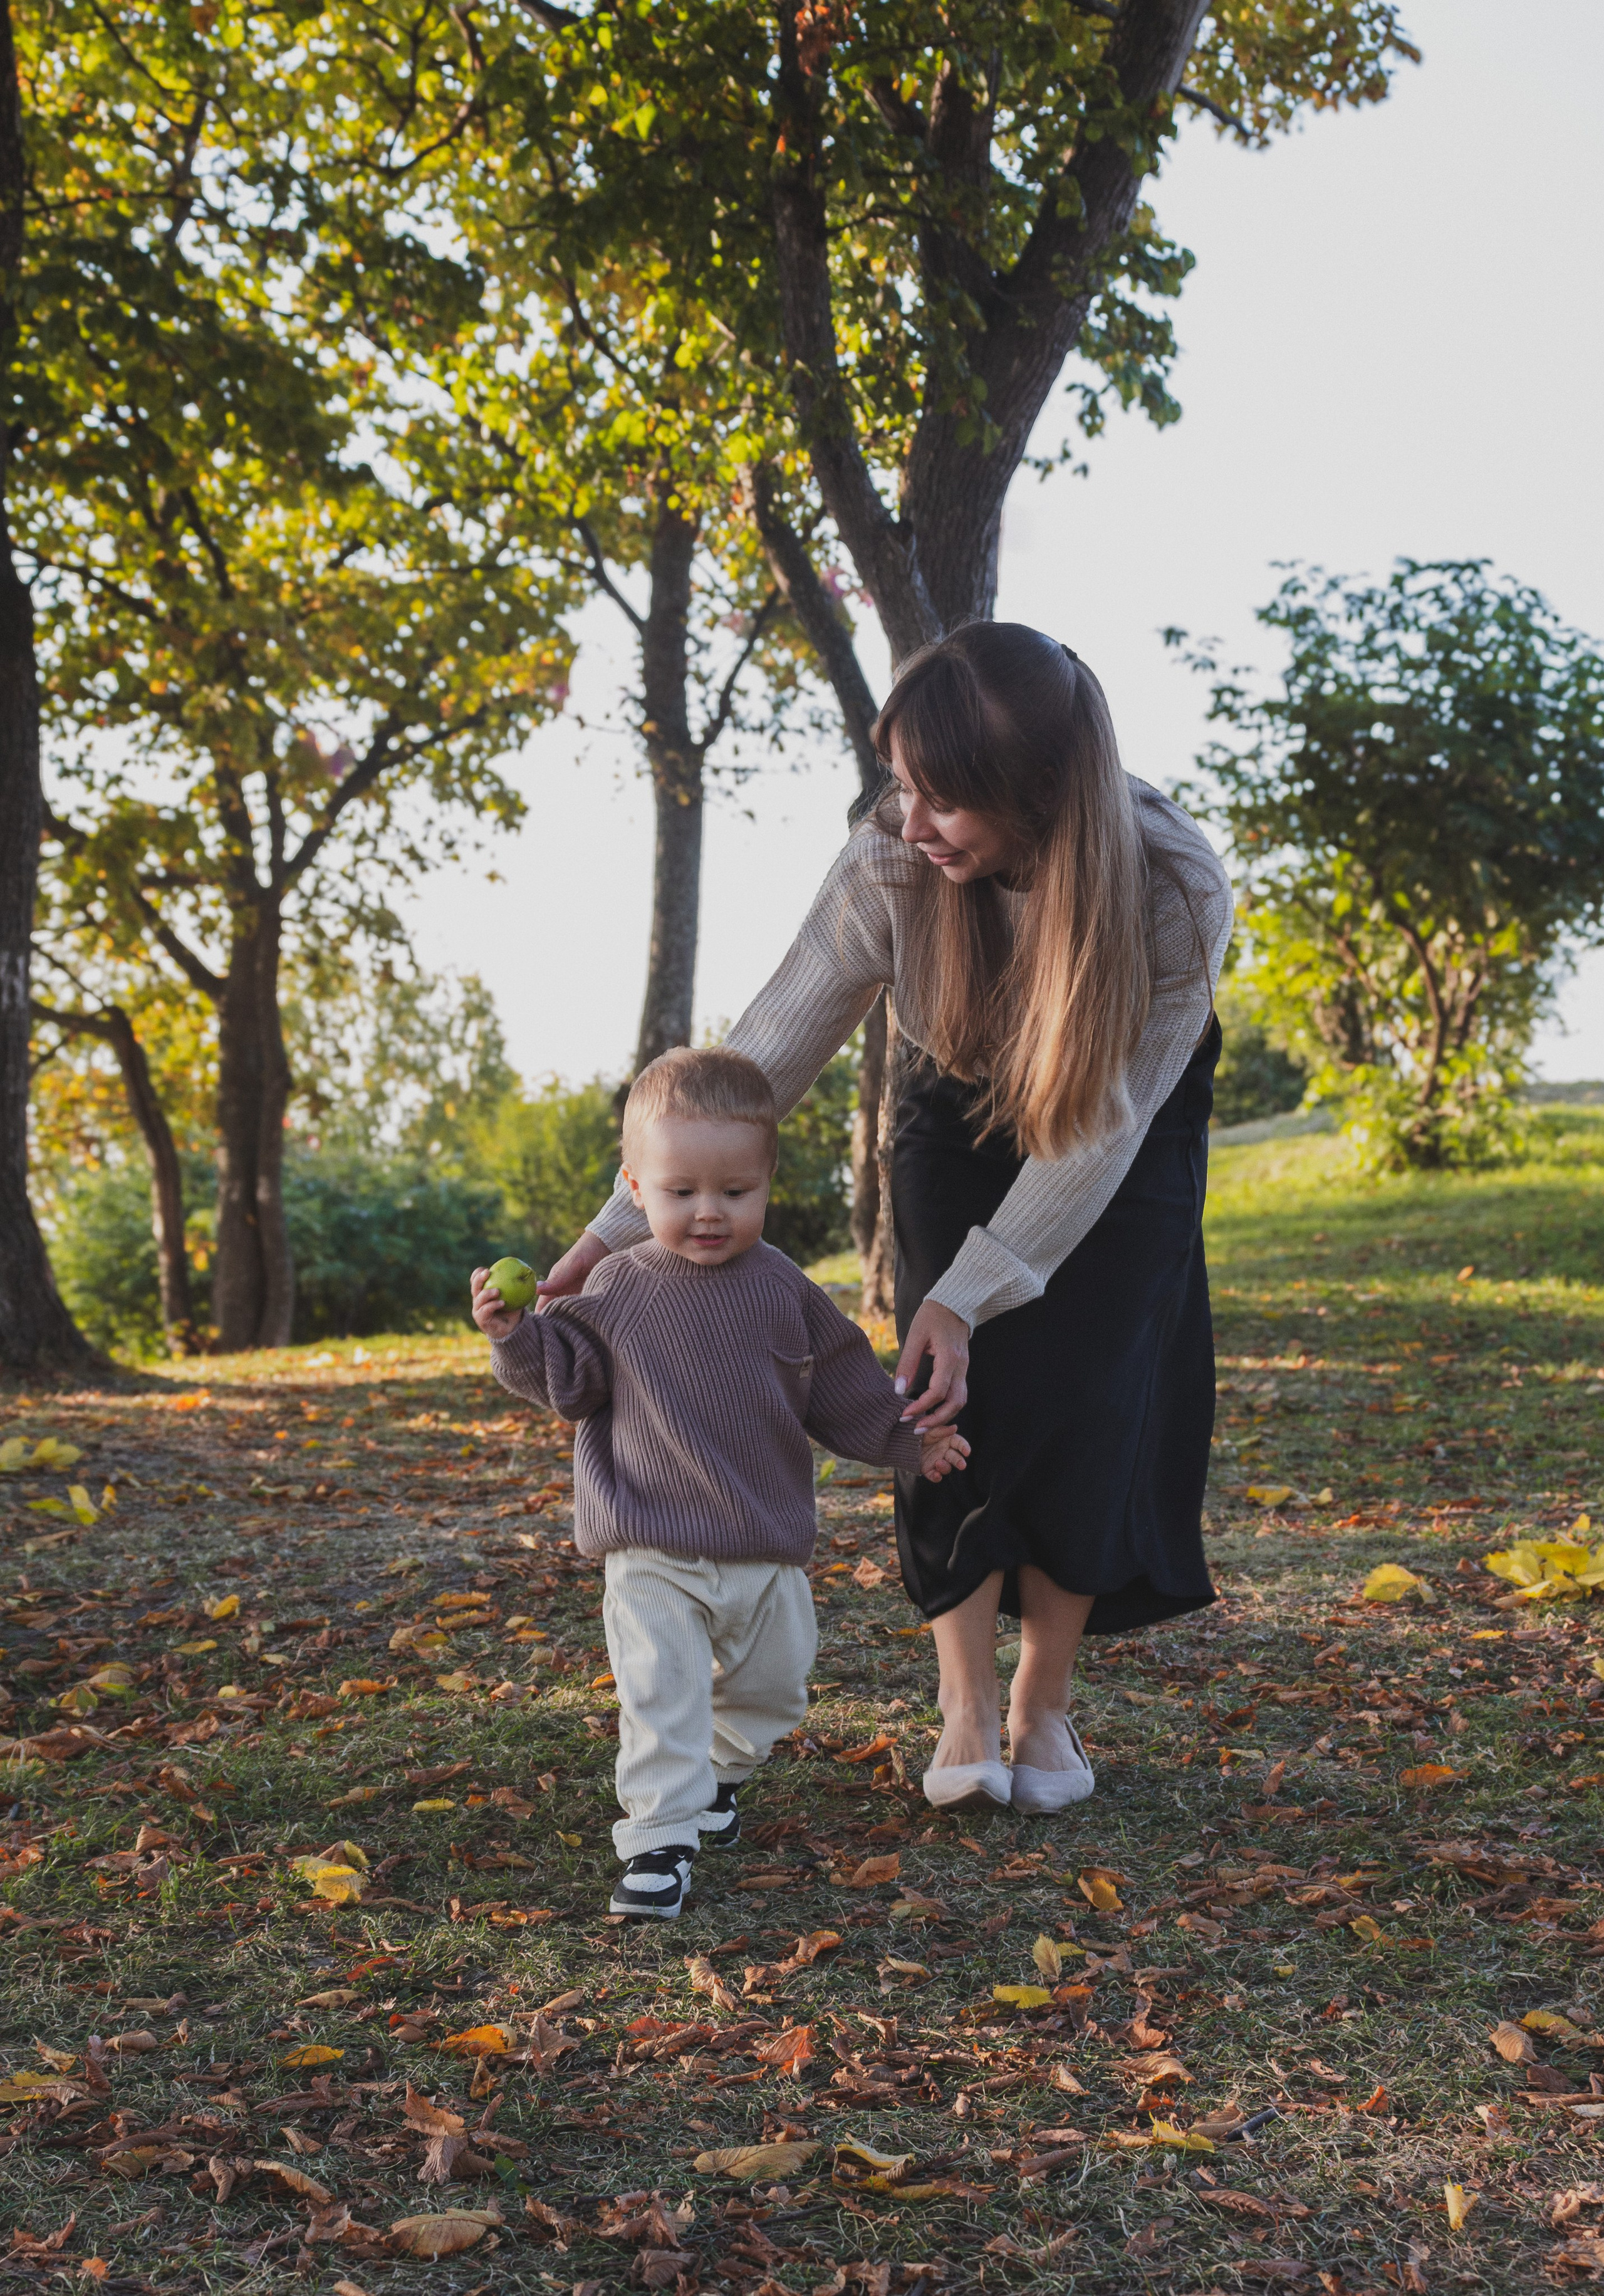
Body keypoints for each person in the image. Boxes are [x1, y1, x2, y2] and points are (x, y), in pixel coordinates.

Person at [540, 624, 1233, 1819]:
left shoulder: (1173, 889)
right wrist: (616, 1226)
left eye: (942, 797)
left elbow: (1100, 1133)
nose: (905, 821)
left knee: (1092, 1386)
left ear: (1043, 795)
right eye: (902, 783)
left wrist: (985, 1284)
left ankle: (1043, 1704)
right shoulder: (891, 860)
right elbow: (768, 1045)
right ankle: (965, 1702)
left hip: (1118, 1104)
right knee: (936, 1392)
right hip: (954, 1090)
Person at [471, 1046, 968, 1918]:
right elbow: (568, 1375)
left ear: (766, 1183)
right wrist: (515, 1334)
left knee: (776, 1685)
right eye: (681, 1192)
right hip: (650, 1542)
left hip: (763, 1543)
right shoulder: (616, 1286)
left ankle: (720, 1776)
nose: (708, 1213)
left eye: (735, 1193)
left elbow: (845, 1386)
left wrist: (906, 1442)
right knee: (660, 1688)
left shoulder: (785, 1291)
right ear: (635, 1186)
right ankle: (659, 1841)